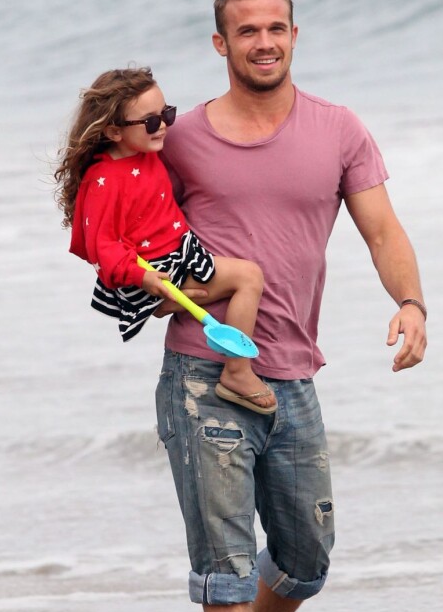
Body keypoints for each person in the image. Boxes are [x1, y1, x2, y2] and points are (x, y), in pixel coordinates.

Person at [156, 0, 427, 612]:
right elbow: (136, 243)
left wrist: (412, 304)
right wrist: (188, 295)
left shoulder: (339, 129)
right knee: (226, 555)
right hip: (203, 370)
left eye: (276, 28)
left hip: (292, 375)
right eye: (247, 30)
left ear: (295, 35)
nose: (264, 41)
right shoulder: (180, 138)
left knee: (306, 554)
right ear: (220, 42)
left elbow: (382, 229)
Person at [54, 67, 277, 413]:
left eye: (167, 114)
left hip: (179, 251)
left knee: (208, 288)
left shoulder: (145, 151)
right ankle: (237, 371)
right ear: (113, 131)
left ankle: (172, 302)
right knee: (249, 277)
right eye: (150, 122)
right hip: (151, 268)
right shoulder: (104, 179)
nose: (164, 127)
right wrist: (143, 278)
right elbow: (104, 246)